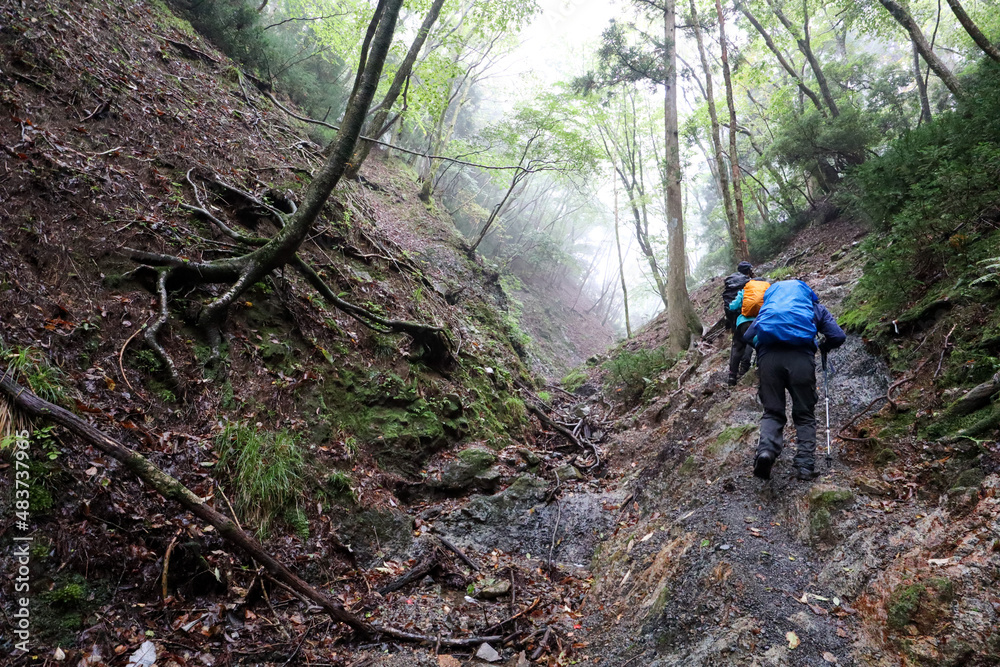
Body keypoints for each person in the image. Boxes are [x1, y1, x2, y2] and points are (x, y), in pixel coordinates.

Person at [743, 280, 846, 481]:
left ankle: (766, 453)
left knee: (772, 411)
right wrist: (822, 346)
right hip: (800, 360)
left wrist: (763, 347)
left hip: (769, 360)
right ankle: (805, 466)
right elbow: (838, 336)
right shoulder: (813, 307)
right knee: (804, 413)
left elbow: (748, 336)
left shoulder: (768, 309)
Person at [726, 269, 770, 386]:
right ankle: (761, 370)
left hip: (743, 323)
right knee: (761, 346)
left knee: (738, 347)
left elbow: (733, 306)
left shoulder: (746, 290)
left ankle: (732, 376)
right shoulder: (768, 291)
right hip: (761, 322)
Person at [722, 261, 753, 385]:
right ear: (748, 270)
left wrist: (729, 321)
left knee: (736, 344)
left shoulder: (730, 282)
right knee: (749, 341)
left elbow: (729, 304)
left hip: (734, 317)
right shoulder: (749, 283)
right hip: (747, 317)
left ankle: (732, 375)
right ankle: (744, 369)